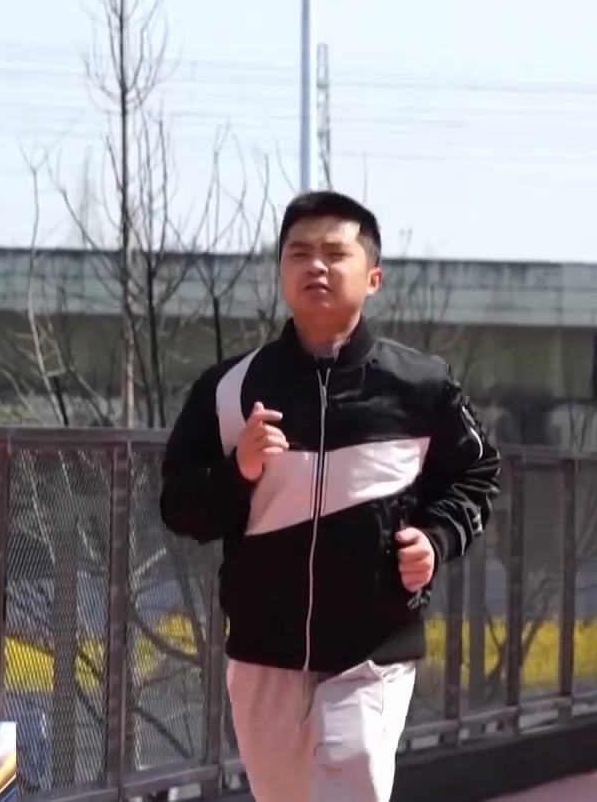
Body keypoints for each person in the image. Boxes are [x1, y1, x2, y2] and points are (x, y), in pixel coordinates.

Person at [157, 190, 501, 802]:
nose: (315, 266)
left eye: (335, 253)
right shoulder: (230, 389)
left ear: (372, 277)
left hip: (375, 645)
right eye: (299, 253)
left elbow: (478, 473)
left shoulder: (421, 386)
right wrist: (239, 470)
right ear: (280, 272)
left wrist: (436, 538)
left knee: (353, 769)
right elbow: (179, 505)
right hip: (264, 648)